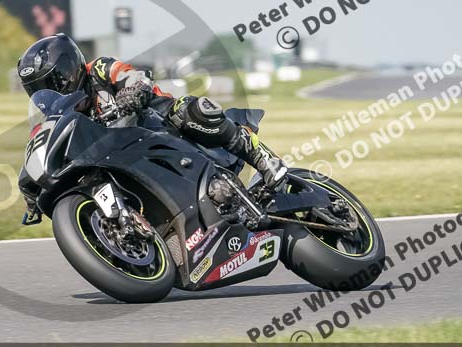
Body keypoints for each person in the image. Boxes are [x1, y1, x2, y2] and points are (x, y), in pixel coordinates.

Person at [17, 33, 288, 214]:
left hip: (159, 123)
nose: (50, 92)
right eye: (38, 89)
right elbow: (46, 142)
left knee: (189, 110)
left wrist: (133, 91)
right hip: (123, 156)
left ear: (69, 68)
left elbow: (135, 77)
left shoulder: (98, 70)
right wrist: (33, 187)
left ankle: (260, 155)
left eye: (52, 82)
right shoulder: (64, 117)